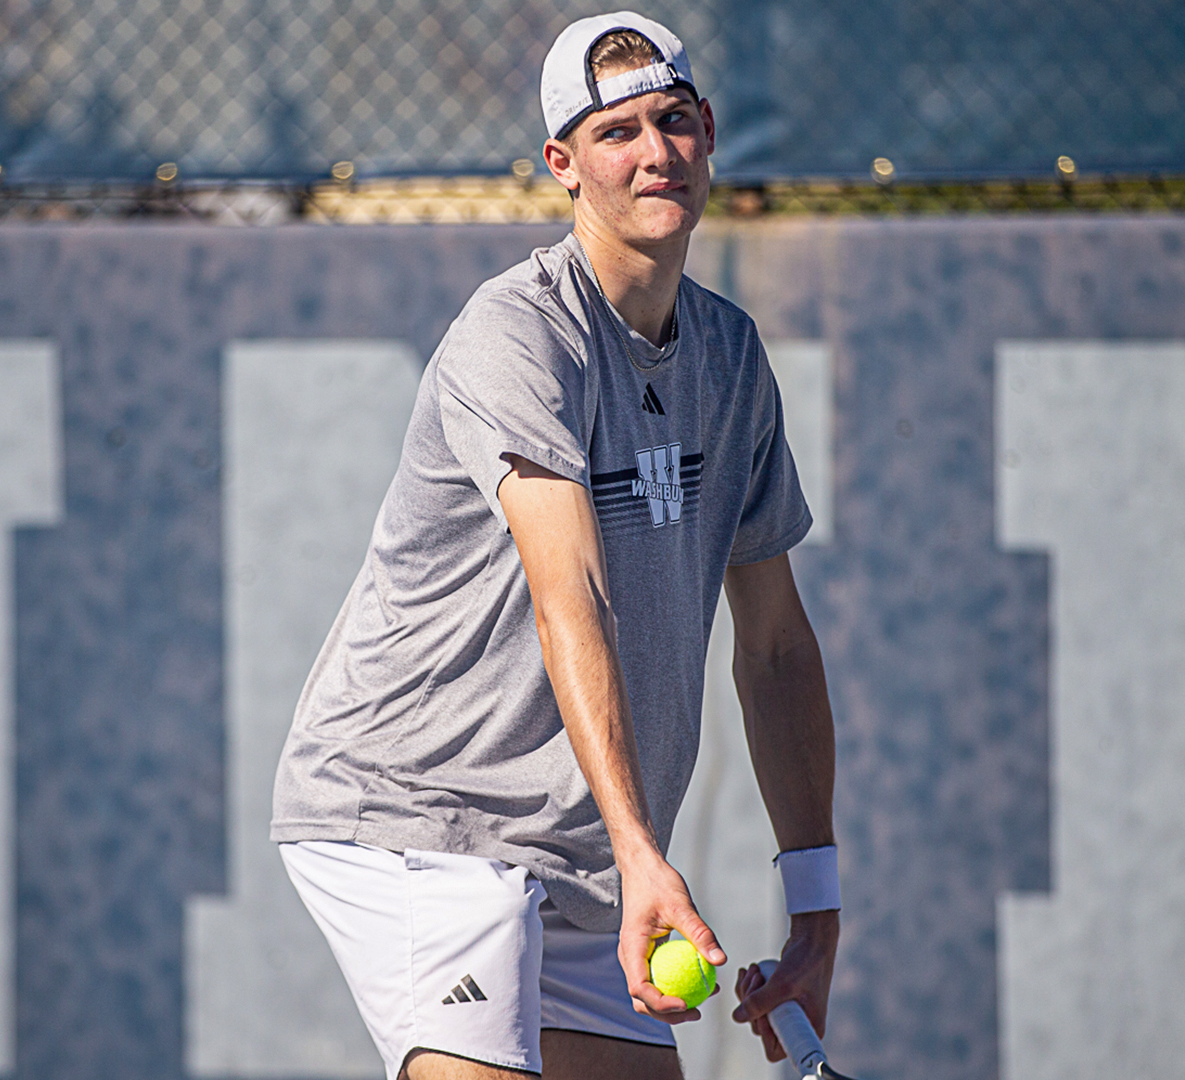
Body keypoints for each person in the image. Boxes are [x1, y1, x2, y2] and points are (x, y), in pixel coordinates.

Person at [270, 11, 839, 1078]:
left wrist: (816, 914)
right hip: (418, 816)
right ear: (563, 165)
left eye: (674, 121)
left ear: (710, 133)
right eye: (616, 132)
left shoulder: (730, 356)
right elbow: (568, 590)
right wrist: (644, 855)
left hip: (577, 850)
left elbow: (774, 649)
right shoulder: (518, 335)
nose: (655, 153)